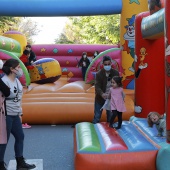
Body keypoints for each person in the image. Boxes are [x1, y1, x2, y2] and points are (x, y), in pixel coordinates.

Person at [0, 59, 36, 170]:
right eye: (18, 67)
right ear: (12, 69)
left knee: (20, 136)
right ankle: (0, 164)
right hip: (6, 115)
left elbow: (19, 98)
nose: (20, 69)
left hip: (15, 114)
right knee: (3, 141)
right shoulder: (4, 81)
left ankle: (20, 162)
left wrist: (20, 112)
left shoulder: (17, 81)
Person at [92, 56, 119, 124]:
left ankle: (110, 132)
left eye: (108, 64)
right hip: (100, 97)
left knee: (110, 117)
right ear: (103, 64)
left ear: (111, 64)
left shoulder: (115, 73)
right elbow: (97, 86)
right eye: (105, 64)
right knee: (97, 116)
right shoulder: (99, 74)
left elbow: (118, 85)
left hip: (111, 98)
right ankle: (94, 129)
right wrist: (102, 94)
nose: (107, 66)